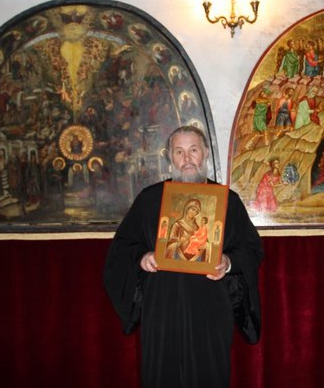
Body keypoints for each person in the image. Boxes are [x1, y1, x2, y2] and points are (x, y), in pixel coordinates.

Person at [104, 125, 263, 388]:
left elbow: (252, 249)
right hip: (161, 309)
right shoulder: (149, 200)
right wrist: (142, 257)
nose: (187, 158)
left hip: (210, 307)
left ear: (206, 153)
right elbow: (121, 248)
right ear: (170, 157)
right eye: (179, 151)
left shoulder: (228, 201)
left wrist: (228, 262)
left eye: (193, 150)